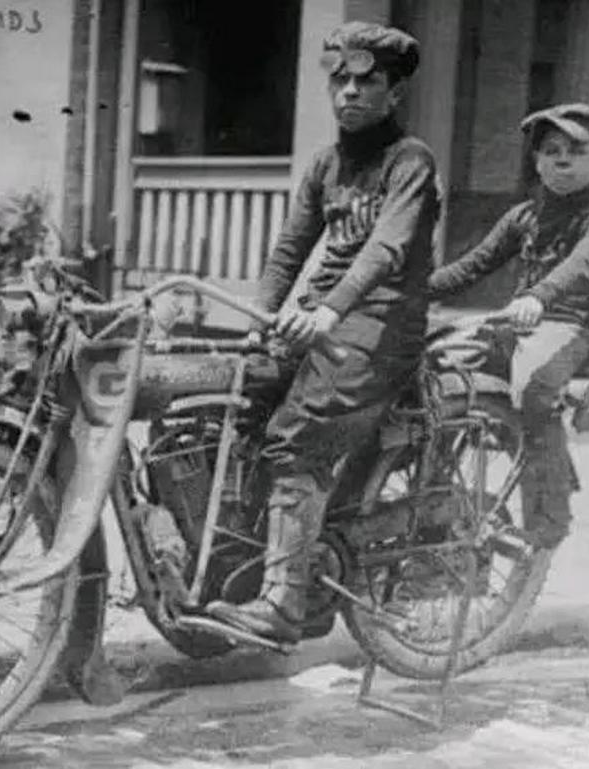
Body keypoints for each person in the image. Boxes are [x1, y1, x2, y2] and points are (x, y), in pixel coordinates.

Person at [207, 21, 442, 643]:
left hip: (382, 323)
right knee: (235, 397)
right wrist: (262, 320)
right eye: (340, 79)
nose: (350, 93)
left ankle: (284, 604)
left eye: (368, 81)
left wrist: (328, 310)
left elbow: (386, 250)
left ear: (394, 93)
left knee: (296, 436)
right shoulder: (325, 163)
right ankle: (227, 569)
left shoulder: (409, 161)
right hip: (325, 315)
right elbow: (289, 251)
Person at [427, 102, 589, 550]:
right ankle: (432, 507)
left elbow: (580, 265)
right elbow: (474, 264)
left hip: (570, 328)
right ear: (536, 161)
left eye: (577, 150)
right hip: (519, 323)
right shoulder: (524, 215)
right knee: (435, 379)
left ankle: (550, 515)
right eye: (551, 150)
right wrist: (414, 293)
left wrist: (538, 297)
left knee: (534, 387)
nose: (562, 159)